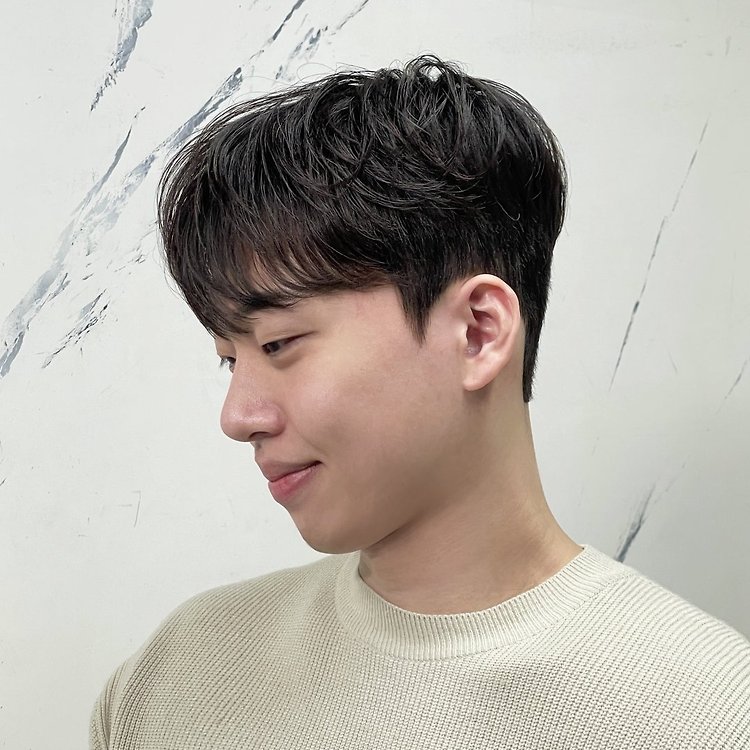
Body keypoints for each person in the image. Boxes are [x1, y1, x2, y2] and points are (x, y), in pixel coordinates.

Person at [90, 55, 750, 749]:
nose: (237, 416)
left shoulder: (707, 713)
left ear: (478, 332)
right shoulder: (174, 678)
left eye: (279, 344)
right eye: (230, 359)